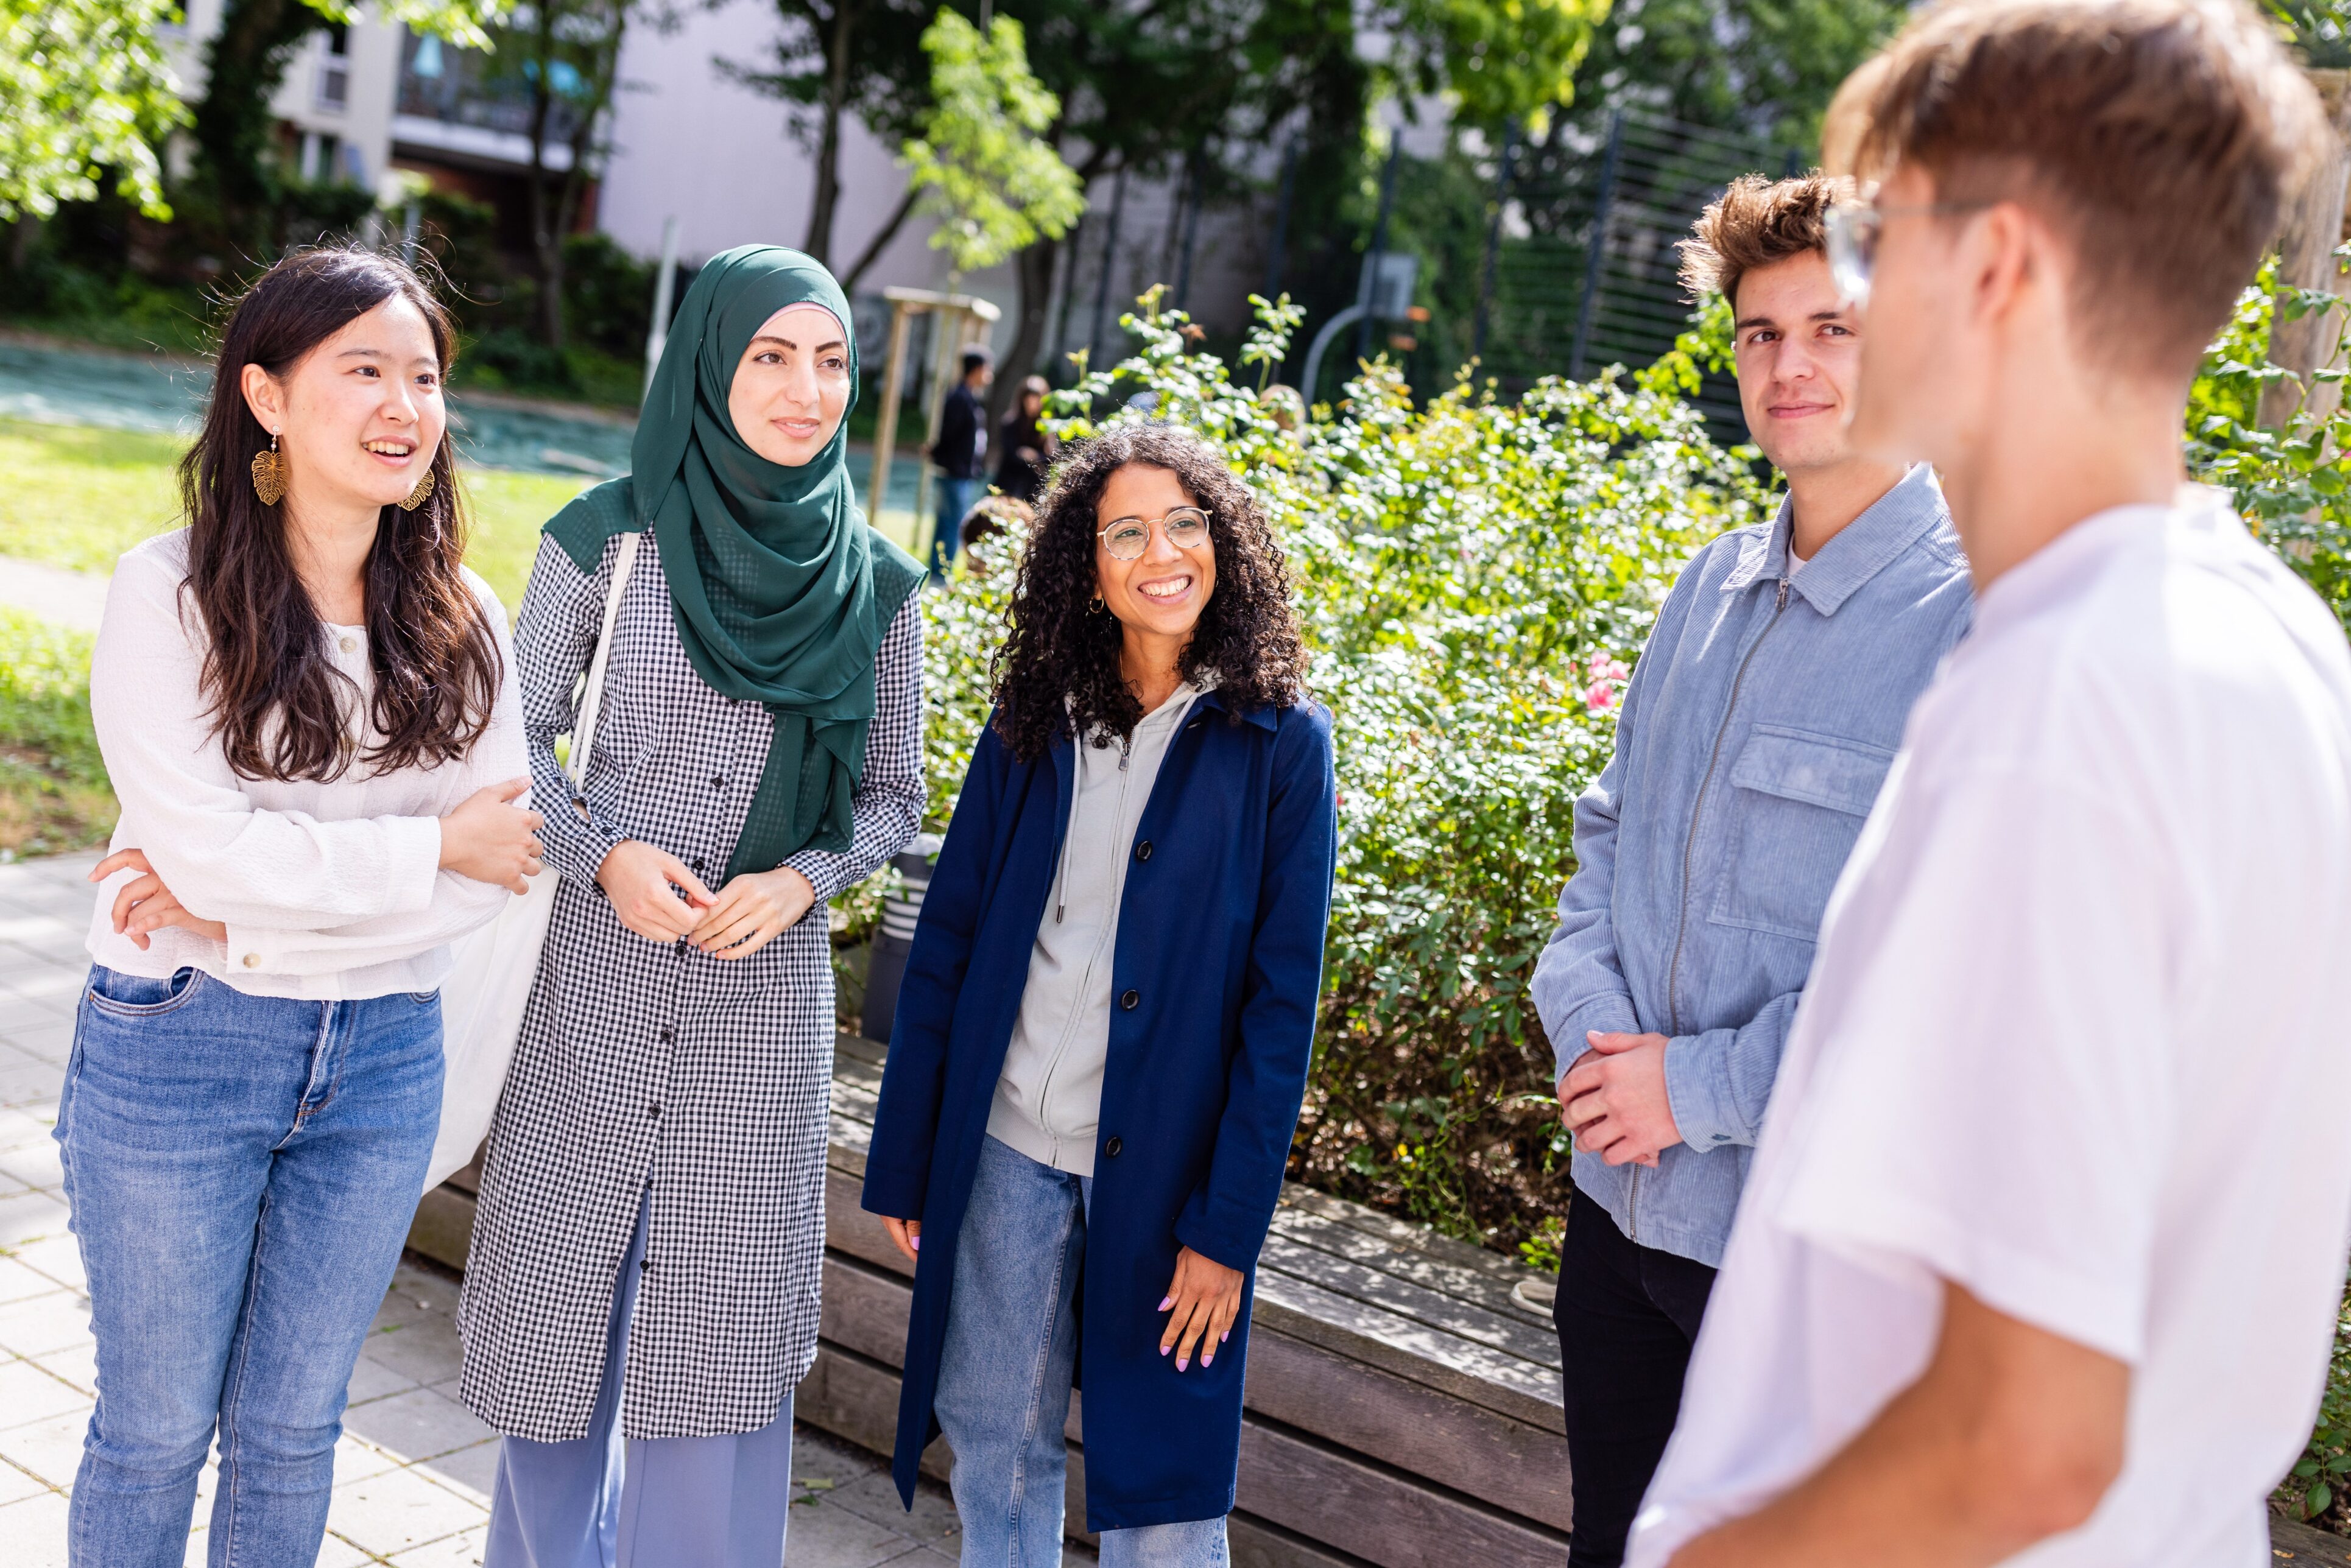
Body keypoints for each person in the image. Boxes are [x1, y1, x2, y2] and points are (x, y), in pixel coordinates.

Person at [1627, 3, 2351, 1564]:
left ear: (1998, 265)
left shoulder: (2066, 704)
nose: (1837, 304)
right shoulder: (2264, 635)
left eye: (1876, 236)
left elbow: (2025, 1440)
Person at [62, 245, 539, 1565]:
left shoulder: (467, 617)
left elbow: (498, 866)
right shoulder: (167, 591)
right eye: (364, 371)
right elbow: (217, 853)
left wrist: (246, 910)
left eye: (425, 378)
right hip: (182, 1043)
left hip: (384, 1056)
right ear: (266, 396)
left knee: (290, 1432)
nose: (404, 406)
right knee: (155, 1429)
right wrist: (418, 849)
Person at [1526, 174, 1973, 1568]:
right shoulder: (1704, 586)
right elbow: (1605, 839)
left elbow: (1945, 979)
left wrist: (1693, 1090)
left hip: (1803, 1281)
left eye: (1833, 329)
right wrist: (1595, 1047)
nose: (1789, 366)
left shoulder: (1976, 619)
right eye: (1759, 334)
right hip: (1615, 1230)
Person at [456, 245, 926, 1567]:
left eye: (829, 361)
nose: (805, 391)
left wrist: (802, 879)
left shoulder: (882, 588)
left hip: (757, 1017)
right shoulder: (604, 540)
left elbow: (894, 797)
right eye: (771, 356)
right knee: (554, 1333)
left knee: (716, 1356)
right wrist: (603, 854)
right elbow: (511, 746)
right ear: (713, 364)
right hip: (593, 996)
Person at [862, 423, 1336, 1565]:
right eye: (1126, 532)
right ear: (1088, 567)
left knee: (1165, 1497)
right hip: (1007, 1149)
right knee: (994, 1441)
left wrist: (1226, 1231)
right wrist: (912, 1150)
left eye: (1184, 523)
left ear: (1223, 544)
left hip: (1172, 1179)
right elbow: (951, 941)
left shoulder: (1281, 741)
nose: (1161, 552)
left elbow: (1282, 1013)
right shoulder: (1037, 718)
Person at [929, 345, 993, 575]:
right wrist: (938, 453)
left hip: (962, 472)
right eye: (987, 369)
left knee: (948, 522)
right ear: (976, 370)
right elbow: (949, 434)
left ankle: (940, 569)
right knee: (952, 523)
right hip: (955, 472)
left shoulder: (970, 398)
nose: (990, 375)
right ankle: (941, 571)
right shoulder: (960, 398)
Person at [993, 373, 1059, 502]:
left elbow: (1053, 457)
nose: (1032, 404)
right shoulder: (1010, 424)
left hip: (1035, 488)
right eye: (1029, 400)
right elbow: (1009, 453)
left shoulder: (1048, 427)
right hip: (1010, 484)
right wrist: (1023, 455)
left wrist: (1034, 456)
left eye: (1036, 400)